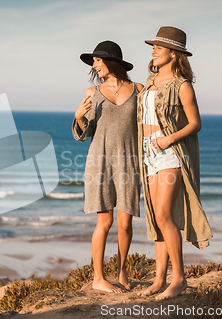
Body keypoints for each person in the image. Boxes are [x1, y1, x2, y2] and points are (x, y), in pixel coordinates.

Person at [136, 27, 212, 300]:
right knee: (158, 219)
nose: (153, 50)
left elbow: (196, 124)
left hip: (169, 154)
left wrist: (168, 140)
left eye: (158, 47)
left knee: (166, 215)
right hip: (147, 152)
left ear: (173, 53)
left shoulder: (182, 86)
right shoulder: (149, 81)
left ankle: (178, 279)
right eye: (153, 47)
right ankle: (159, 279)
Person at [72, 41, 143, 293]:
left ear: (111, 61)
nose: (94, 65)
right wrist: (80, 117)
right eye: (93, 62)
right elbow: (85, 133)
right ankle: (98, 278)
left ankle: (123, 271)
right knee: (105, 221)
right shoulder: (93, 92)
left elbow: (145, 128)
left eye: (97, 60)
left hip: (128, 161)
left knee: (125, 223)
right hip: (99, 161)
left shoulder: (138, 90)